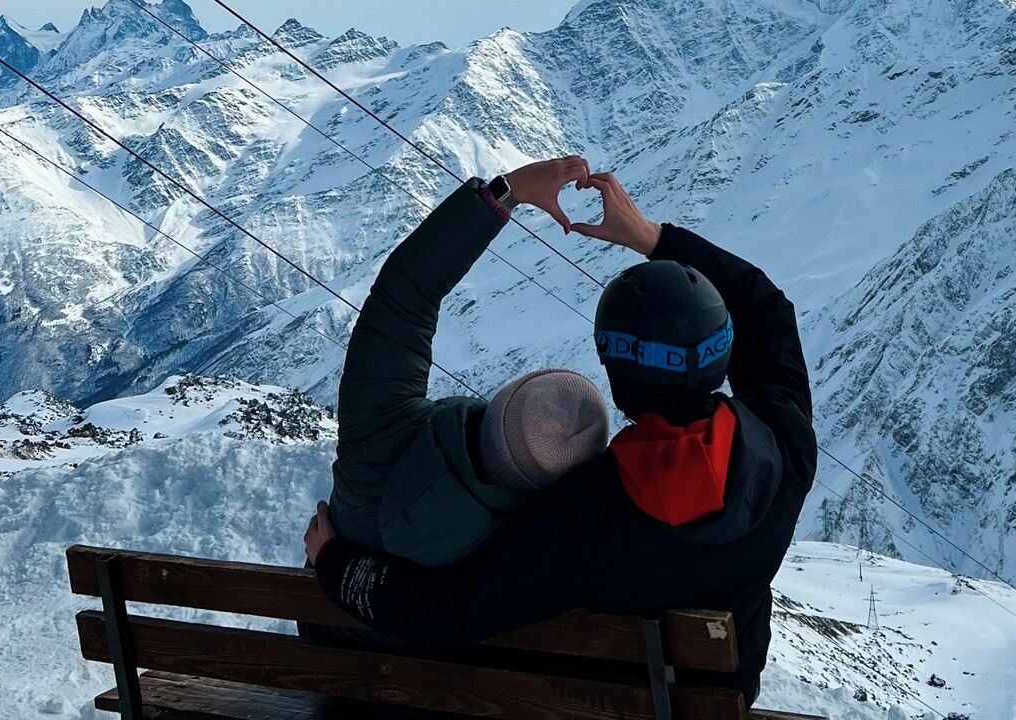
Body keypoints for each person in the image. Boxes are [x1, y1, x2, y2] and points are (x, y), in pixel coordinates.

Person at [305, 168, 816, 706]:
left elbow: (450, 609)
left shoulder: (587, 515)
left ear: (618, 375)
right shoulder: (786, 445)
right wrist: (652, 237)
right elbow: (767, 312)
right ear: (724, 351)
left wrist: (336, 562)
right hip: (712, 705)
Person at [320, 155, 609, 572]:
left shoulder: (381, 428)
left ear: (502, 401)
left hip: (322, 624)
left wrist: (507, 192)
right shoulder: (524, 561)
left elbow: (406, 293)